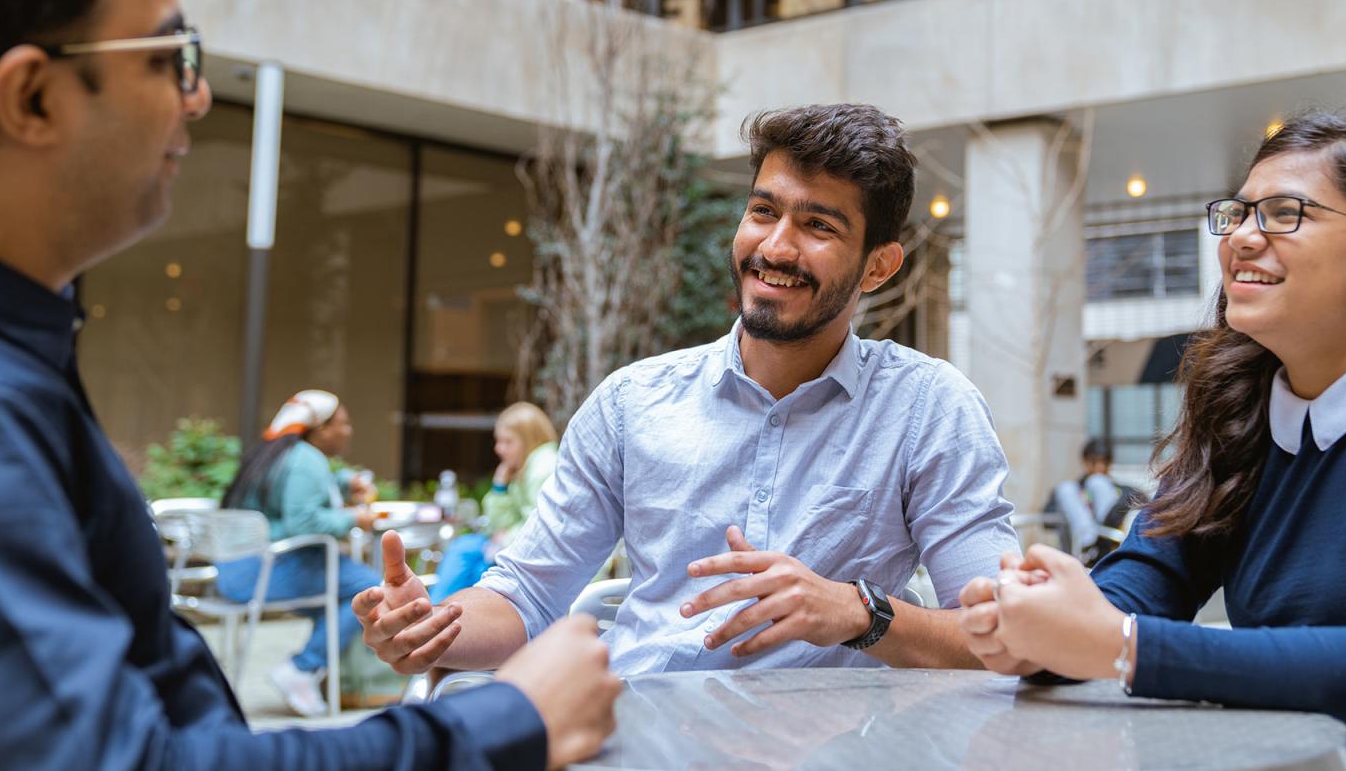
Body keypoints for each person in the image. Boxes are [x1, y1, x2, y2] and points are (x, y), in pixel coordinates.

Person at [0, 0, 617, 766]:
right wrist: (510, 719)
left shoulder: (23, 350)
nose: (196, 97)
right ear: (31, 97)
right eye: (172, 57)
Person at [960, 112, 1346, 768]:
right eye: (1240, 213)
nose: (1242, 239)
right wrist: (1038, 629)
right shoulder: (1244, 411)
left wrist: (1122, 646)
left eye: (1286, 215)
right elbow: (1146, 581)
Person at [357, 103, 1019, 680]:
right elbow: (528, 593)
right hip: (636, 734)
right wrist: (430, 625)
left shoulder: (929, 408)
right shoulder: (631, 402)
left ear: (878, 266)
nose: (776, 248)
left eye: (819, 226)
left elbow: (1004, 635)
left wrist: (858, 612)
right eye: (763, 211)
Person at [217, 389, 383, 716]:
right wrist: (356, 517)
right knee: (369, 590)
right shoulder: (306, 460)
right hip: (261, 574)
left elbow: (302, 491)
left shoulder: (277, 453)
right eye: (342, 424)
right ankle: (302, 669)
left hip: (233, 570)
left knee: (342, 599)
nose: (348, 431)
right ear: (320, 429)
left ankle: (320, 677)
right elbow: (303, 522)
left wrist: (346, 481)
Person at [431, 402, 560, 602]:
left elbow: (540, 528)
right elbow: (500, 523)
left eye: (508, 442)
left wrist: (503, 539)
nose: (498, 449)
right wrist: (500, 486)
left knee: (469, 556)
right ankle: (441, 618)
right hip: (523, 552)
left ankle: (435, 616)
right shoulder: (527, 468)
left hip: (545, 563)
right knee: (469, 551)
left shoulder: (542, 469)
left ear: (530, 440)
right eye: (498, 441)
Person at [1043, 438, 1141, 565]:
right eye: (1094, 462)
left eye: (1103, 462)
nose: (1099, 467)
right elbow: (1047, 520)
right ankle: (1087, 547)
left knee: (1098, 483)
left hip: (1106, 547)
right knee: (1065, 488)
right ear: (1085, 462)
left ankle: (1094, 549)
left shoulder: (1122, 490)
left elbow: (1142, 501)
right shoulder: (1071, 490)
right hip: (1074, 548)